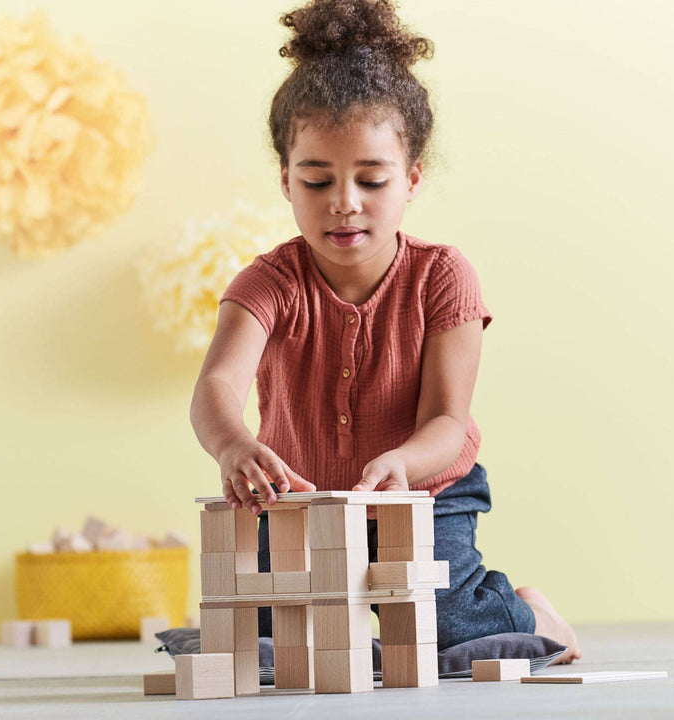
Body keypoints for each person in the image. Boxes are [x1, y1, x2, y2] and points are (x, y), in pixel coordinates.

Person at [190, 0, 581, 664]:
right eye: (317, 180)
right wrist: (233, 445)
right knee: (261, 638)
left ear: (413, 178)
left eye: (371, 179)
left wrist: (404, 464)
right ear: (286, 179)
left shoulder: (442, 277)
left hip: (423, 494)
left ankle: (528, 608)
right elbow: (217, 384)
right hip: (302, 505)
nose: (345, 201)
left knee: (456, 627)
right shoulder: (268, 281)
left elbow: (447, 421)